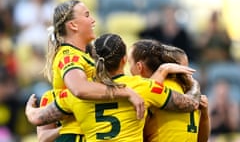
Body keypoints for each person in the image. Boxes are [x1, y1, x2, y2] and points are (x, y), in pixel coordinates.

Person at [25, 33, 201, 142]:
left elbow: (37, 118)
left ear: (92, 61)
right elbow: (191, 103)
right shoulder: (143, 88)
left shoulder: (75, 94)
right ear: (124, 60)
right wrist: (193, 83)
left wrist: (29, 108)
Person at [38, 0, 146, 142]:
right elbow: (79, 88)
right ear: (73, 25)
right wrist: (125, 91)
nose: (93, 20)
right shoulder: (68, 56)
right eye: (87, 15)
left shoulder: (84, 56)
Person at [127, 40, 210, 142]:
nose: (187, 72)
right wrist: (205, 115)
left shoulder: (156, 90)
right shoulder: (193, 95)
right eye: (185, 67)